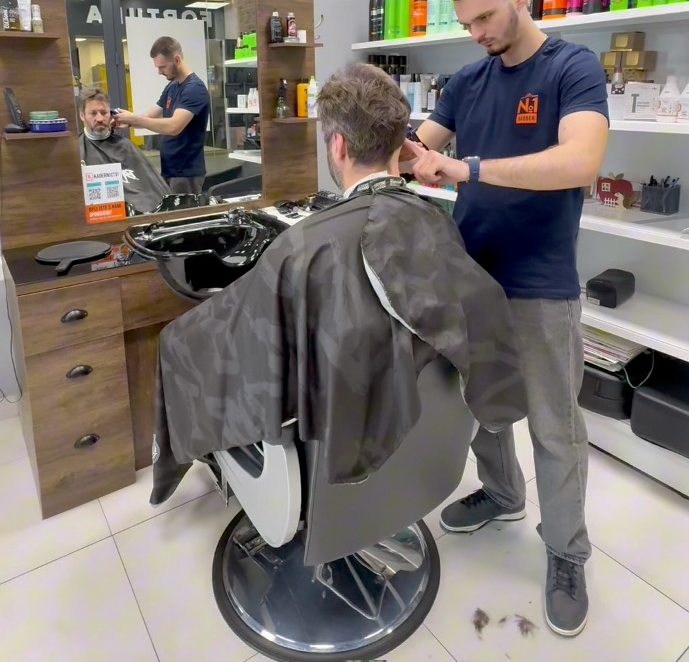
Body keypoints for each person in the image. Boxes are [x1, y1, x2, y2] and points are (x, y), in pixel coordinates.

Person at [151, 63, 528, 506]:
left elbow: (242, 349)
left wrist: (174, 342)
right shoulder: (433, 221)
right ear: (400, 141)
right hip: (422, 462)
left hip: (336, 458)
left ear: (338, 144)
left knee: (176, 341)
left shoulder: (302, 248)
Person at [401, 0, 609, 639]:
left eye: (486, 17)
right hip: (473, 276)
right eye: (467, 24)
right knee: (485, 407)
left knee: (554, 426)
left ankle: (566, 552)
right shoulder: (468, 81)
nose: (478, 33)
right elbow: (419, 148)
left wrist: (467, 167)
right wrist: (384, 140)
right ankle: (500, 492)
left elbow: (580, 161)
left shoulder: (572, 69)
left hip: (541, 283)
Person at [114, 36, 210, 194]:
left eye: (162, 67)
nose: (159, 72)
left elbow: (174, 126)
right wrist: (127, 120)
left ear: (177, 60)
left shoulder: (194, 89)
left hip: (186, 173)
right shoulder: (172, 87)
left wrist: (135, 119)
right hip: (169, 169)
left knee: (183, 211)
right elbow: (149, 115)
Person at [78, 86, 169, 215]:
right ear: (82, 116)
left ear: (111, 114)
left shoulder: (125, 145)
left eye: (104, 113)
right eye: (93, 113)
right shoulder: (76, 149)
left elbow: (151, 190)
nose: (99, 118)